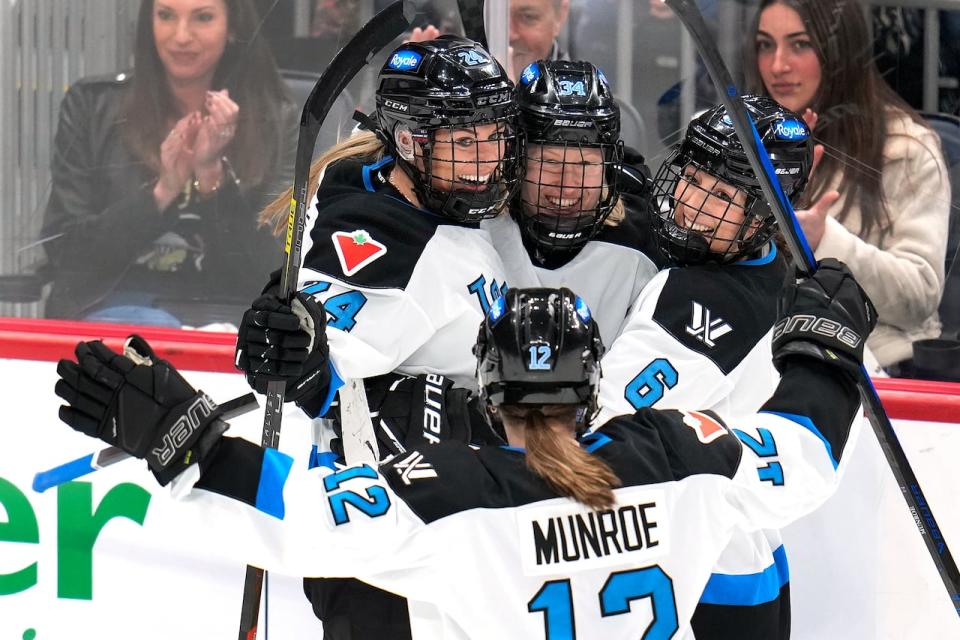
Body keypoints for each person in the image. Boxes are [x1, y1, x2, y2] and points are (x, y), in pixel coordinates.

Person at [53, 272, 875, 638]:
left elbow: (288, 511)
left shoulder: (451, 493)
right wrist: (823, 345)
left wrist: (182, 437)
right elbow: (804, 449)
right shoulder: (679, 454)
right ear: (592, 388)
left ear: (487, 395)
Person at [239, 35, 521, 638]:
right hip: (384, 533)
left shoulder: (434, 207)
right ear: (412, 143)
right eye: (465, 142)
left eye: (493, 136)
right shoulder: (384, 237)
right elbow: (318, 364)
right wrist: (297, 348)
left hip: (436, 523)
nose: (485, 159)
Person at [597, 95, 814, 639]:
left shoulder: (697, 296)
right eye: (692, 177)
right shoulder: (769, 269)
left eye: (720, 194)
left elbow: (605, 425)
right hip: (749, 556)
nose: (691, 203)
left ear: (765, 213)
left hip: (690, 566)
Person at [40, 0, 298, 328]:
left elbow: (274, 272)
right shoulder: (92, 105)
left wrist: (211, 178)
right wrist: (162, 191)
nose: (181, 36)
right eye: (166, 16)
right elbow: (66, 256)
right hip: (110, 313)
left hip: (230, 320)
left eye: (202, 18)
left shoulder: (279, 119)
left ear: (232, 27)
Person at [746, 0, 950, 375]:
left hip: (873, 373)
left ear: (840, 51)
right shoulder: (740, 141)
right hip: (755, 360)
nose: (778, 66)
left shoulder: (906, 148)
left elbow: (919, 296)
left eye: (800, 44)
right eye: (765, 45)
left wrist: (823, 241)